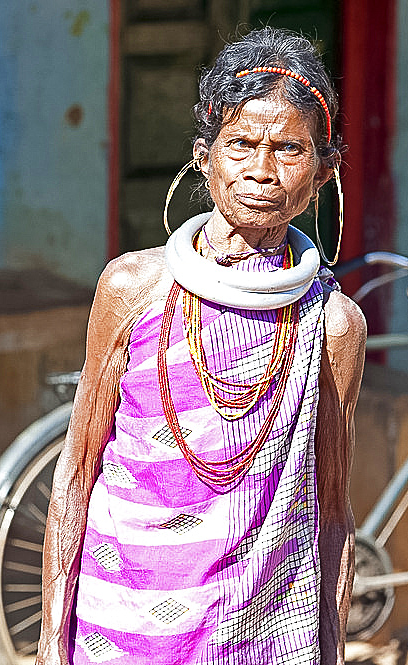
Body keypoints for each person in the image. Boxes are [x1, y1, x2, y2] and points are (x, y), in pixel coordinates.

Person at [38, 27, 366, 665]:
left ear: (324, 172)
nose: (260, 171)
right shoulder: (133, 287)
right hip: (121, 626)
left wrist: (330, 645)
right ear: (203, 156)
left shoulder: (332, 325)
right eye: (240, 144)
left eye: (289, 149)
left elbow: (331, 509)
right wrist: (53, 643)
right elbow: (77, 473)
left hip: (264, 636)